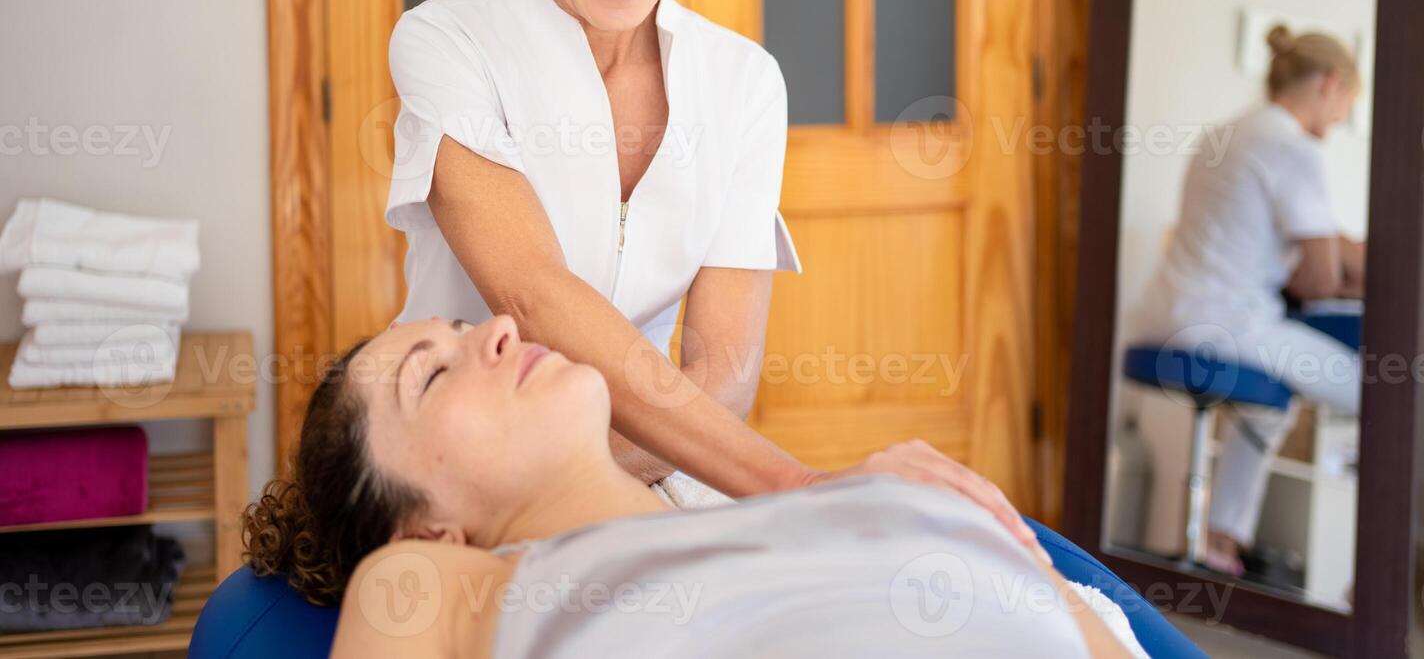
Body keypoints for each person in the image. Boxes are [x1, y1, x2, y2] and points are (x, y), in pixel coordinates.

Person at [383, 0, 1004, 512]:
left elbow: (723, 373)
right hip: (463, 475)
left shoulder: (744, 83)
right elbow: (531, 289)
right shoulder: (446, 42)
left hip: (661, 463)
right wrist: (805, 487)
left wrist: (584, 483)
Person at [242, 316, 1138, 657]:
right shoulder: (429, 584)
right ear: (427, 530)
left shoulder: (836, 500)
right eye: (430, 376)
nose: (502, 329)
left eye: (471, 324)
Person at [1135, 24, 1365, 576]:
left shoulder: (1226, 133)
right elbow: (1319, 276)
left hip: (1167, 313)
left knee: (1269, 405)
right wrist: (1347, 273)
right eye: (1345, 108)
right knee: (1378, 391)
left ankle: (1219, 542)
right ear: (1330, 84)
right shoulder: (1293, 147)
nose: (1337, 123)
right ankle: (1370, 574)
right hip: (1226, 322)